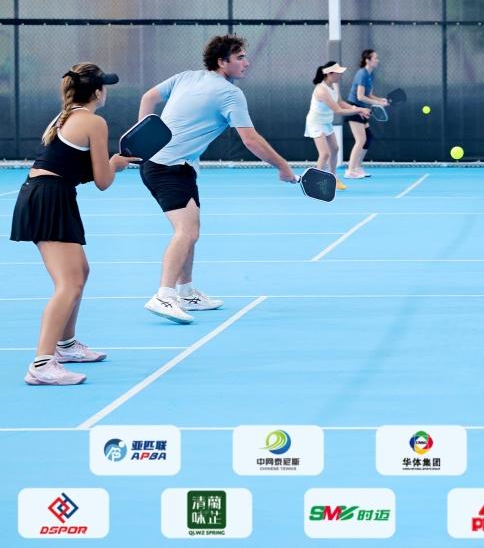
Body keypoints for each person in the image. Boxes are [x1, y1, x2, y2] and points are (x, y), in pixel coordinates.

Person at [137, 34, 297, 324]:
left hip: (173, 165)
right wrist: (283, 166)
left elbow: (149, 97)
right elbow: (250, 140)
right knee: (186, 232)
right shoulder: (230, 94)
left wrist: (142, 137)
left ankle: (186, 293)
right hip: (167, 167)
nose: (246, 62)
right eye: (240, 57)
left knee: (191, 230)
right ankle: (164, 295)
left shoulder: (186, 77)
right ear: (222, 62)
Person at [11, 64, 134, 384]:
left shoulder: (64, 117)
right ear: (97, 92)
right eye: (104, 87)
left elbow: (74, 168)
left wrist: (110, 165)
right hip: (48, 198)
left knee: (80, 272)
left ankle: (65, 346)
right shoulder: (94, 122)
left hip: (50, 194)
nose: (106, 92)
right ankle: (41, 365)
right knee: (68, 283)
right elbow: (103, 181)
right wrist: (116, 164)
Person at [306, 61, 370, 191]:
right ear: (329, 74)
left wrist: (356, 108)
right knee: (324, 153)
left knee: (335, 149)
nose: (341, 75)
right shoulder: (321, 90)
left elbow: (340, 103)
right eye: (338, 73)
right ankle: (316, 183)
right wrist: (359, 110)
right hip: (315, 123)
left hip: (326, 122)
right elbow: (338, 110)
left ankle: (333, 178)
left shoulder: (335, 85)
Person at [345, 48, 388, 180]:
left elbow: (368, 95)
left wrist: (380, 100)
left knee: (368, 138)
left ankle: (357, 167)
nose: (377, 60)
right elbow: (360, 96)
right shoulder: (362, 74)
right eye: (375, 58)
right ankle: (350, 170)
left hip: (362, 108)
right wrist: (377, 103)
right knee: (361, 140)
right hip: (354, 108)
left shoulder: (370, 75)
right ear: (367, 60)